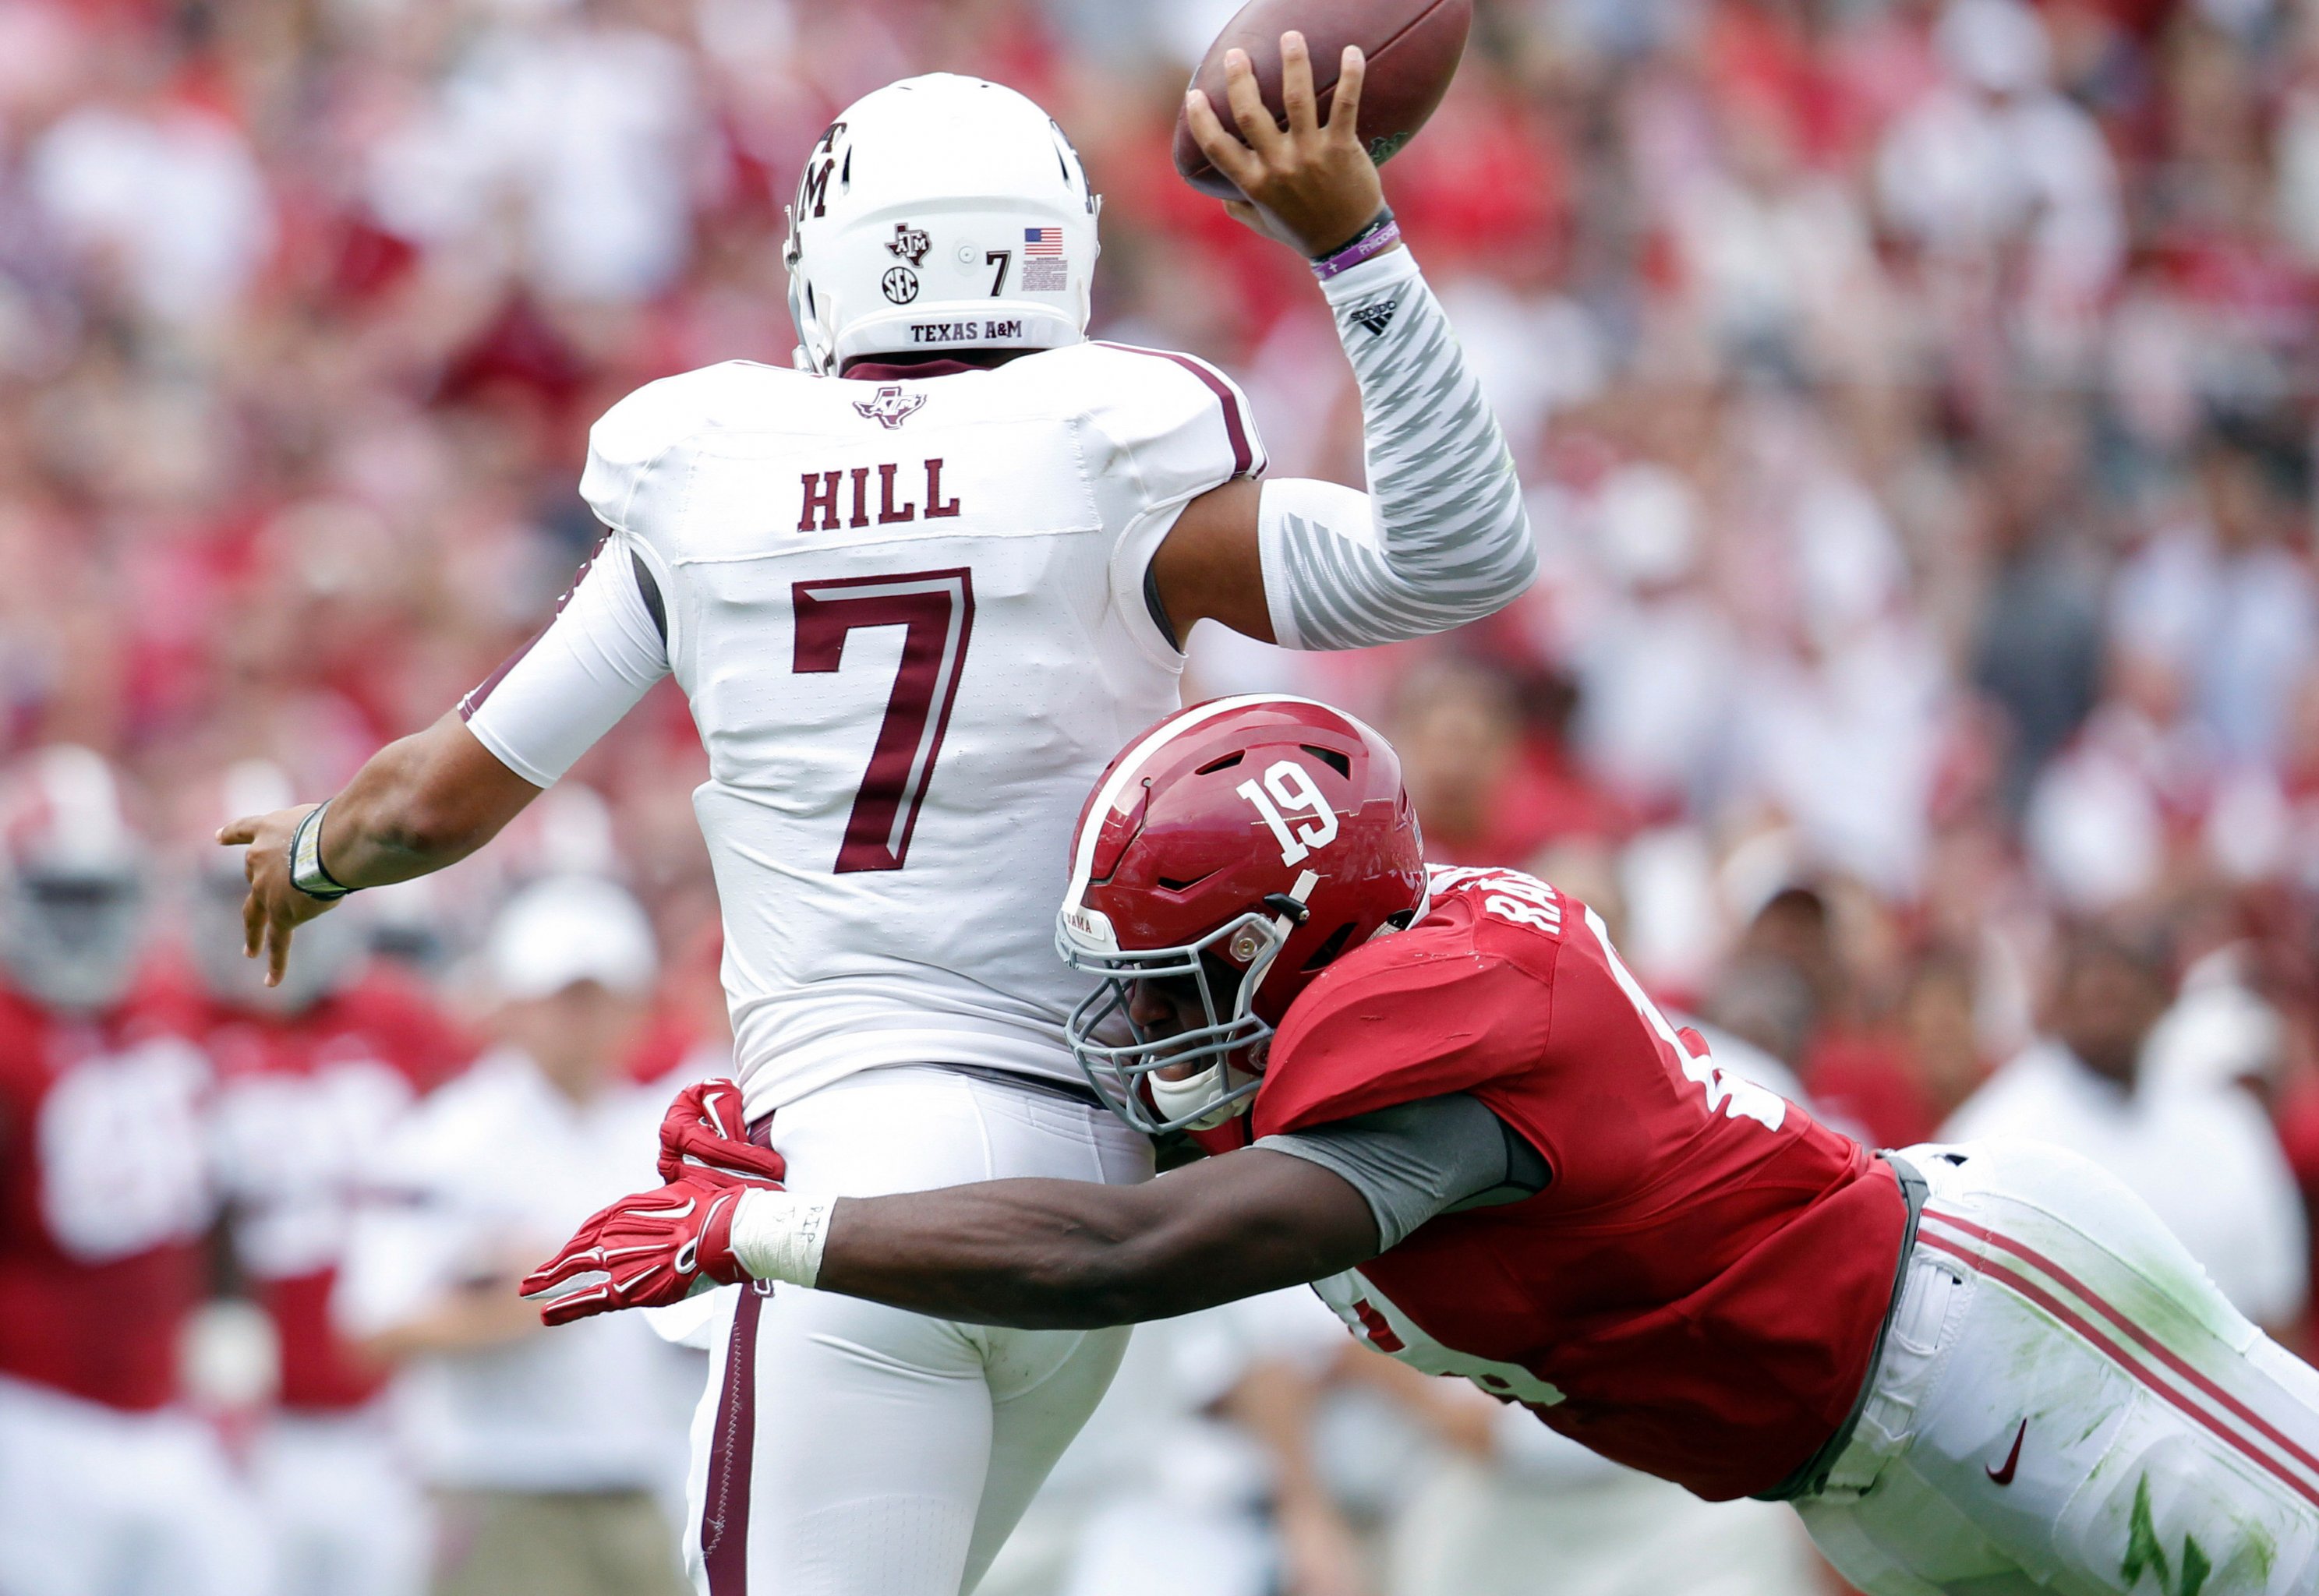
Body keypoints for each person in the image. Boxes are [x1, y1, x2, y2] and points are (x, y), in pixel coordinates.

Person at [224, 34, 1536, 1596]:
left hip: (858, 1189)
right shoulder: (1116, 455)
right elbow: (1455, 555)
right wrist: (1356, 247)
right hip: (1081, 1209)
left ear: (836, 258)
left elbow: (430, 803)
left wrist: (305, 858)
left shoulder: (707, 473)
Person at [532, 698, 2319, 1596]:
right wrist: (828, 1165)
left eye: (1177, 986)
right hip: (1854, 1454)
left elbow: (1117, 1255)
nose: (1149, 1035)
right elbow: (1106, 1193)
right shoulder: (1355, 980)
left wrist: (770, 1235)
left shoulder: (1435, 1035)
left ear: (1299, 932)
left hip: (1992, 1351)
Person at [334, 874, 701, 1596]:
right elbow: (368, 1328)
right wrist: (534, 1299)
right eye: (565, 997)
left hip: (643, 1480)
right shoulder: (448, 1140)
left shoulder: (659, 1135)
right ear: (514, 1004)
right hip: (502, 1485)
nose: (585, 1019)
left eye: (603, 996)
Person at [184, 761, 473, 1596]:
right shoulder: (172, 1020)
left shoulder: (398, 1015)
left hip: (389, 1414)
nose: (269, 910)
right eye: (238, 887)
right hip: (234, 1419)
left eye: (289, 884)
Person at [0, 747, 268, 1596]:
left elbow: (218, 1191)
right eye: (60, 894)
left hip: (168, 1411)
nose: (83, 923)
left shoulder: (171, 1006)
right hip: (35, 1411)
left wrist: (226, 1333)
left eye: (101, 893)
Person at [1942, 920, 2308, 1331]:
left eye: (2122, 994)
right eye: (2093, 996)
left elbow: (2276, 1297)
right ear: (2053, 1009)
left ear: (2158, 1003)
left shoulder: (2224, 1119)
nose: (2109, 1012)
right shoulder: (1993, 1135)